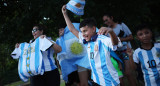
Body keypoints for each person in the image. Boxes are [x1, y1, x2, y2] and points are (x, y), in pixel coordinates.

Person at [62, 5, 120, 86]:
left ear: (93, 29)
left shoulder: (102, 39)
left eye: (85, 31)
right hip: (96, 81)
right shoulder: (86, 39)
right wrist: (65, 14)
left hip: (110, 82)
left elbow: (115, 43)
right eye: (81, 31)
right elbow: (71, 29)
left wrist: (111, 32)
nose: (83, 34)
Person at [99, 13, 136, 86]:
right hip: (116, 54)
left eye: (107, 20)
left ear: (111, 17)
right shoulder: (106, 32)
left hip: (126, 51)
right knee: (120, 76)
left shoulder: (121, 25)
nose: (106, 22)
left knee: (128, 73)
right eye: (104, 21)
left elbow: (131, 37)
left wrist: (119, 39)